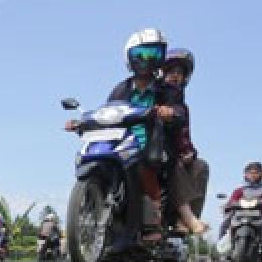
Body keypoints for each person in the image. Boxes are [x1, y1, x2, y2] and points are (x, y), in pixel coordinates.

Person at [66, 28, 184, 241]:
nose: (147, 60)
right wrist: (82, 122)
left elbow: (180, 111)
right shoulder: (121, 88)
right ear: (129, 57)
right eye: (141, 54)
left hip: (151, 140)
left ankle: (152, 223)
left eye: (154, 54)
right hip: (120, 140)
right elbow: (108, 111)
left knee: (144, 167)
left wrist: (170, 112)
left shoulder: (167, 89)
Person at [161, 49, 209, 235]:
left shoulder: (181, 105)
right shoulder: (153, 92)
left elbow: (183, 136)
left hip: (174, 151)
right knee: (173, 163)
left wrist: (190, 152)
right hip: (153, 149)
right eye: (171, 72)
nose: (175, 76)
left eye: (179, 73)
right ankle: (189, 217)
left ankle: (184, 220)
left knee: (200, 166)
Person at [221, 161, 262, 262]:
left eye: (256, 172)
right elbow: (231, 200)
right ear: (245, 174)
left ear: (261, 174)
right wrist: (228, 205)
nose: (252, 175)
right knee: (224, 223)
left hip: (261, 215)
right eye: (250, 173)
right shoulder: (240, 189)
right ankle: (223, 248)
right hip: (240, 214)